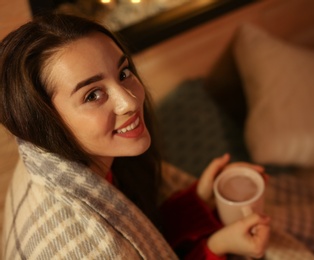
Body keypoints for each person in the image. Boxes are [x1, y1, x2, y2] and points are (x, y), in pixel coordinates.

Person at [0, 13, 270, 259]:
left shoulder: (60, 161)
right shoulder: (89, 248)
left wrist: (197, 202)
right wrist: (216, 247)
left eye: (124, 73)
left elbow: (141, 236)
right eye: (93, 95)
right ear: (44, 121)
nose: (128, 101)